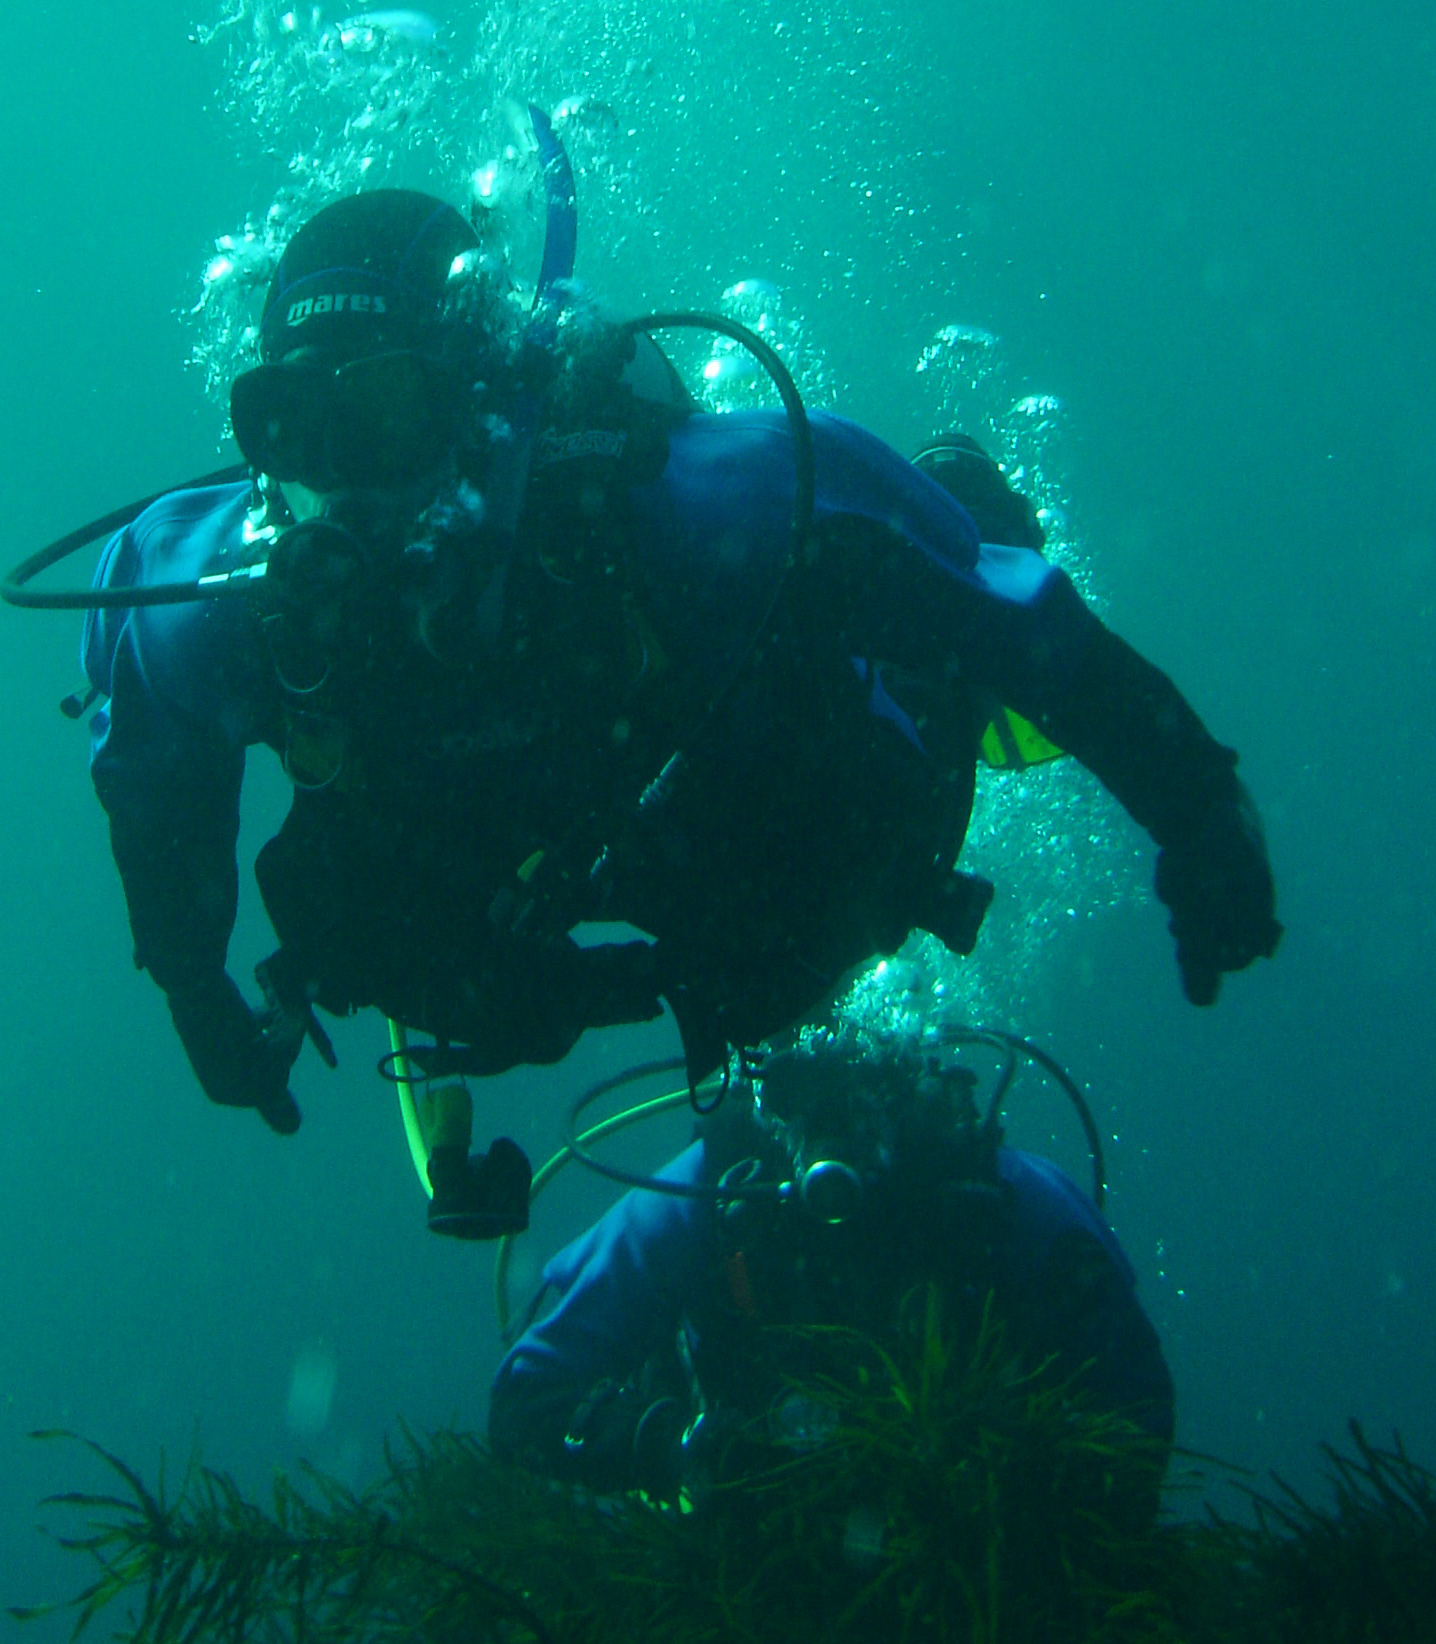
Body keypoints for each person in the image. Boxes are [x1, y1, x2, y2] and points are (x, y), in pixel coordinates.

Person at [72, 184, 1280, 1197]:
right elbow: (153, 781)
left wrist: (1198, 804)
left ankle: (960, 491)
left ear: (478, 403)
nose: (340, 489)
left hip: (729, 766)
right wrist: (192, 986)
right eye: (292, 426)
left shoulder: (711, 511)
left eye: (380, 415)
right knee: (366, 930)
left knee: (820, 930)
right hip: (517, 827)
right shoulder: (206, 600)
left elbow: (1014, 627)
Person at [488, 1025, 1175, 1512]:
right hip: (750, 1577)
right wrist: (678, 1449)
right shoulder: (716, 1193)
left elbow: (1134, 1423)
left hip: (976, 1587)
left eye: (862, 1086)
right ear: (761, 1094)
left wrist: (1002, 1505)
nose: (829, 1123)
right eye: (795, 1087)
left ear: (908, 1079)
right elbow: (529, 1399)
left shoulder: (1003, 1204)